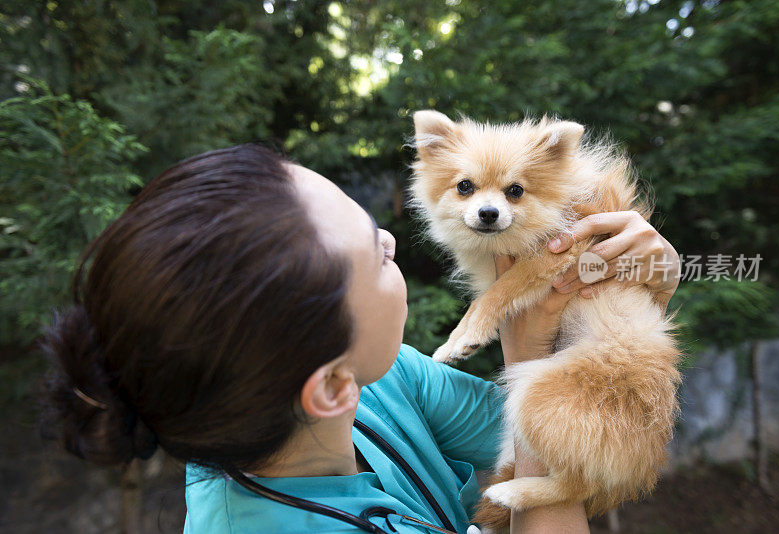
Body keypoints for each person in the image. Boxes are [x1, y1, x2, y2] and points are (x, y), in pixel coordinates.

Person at [41, 143, 681, 533]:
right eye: (373, 259)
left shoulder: (376, 382)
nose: (392, 240)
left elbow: (590, 451)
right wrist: (525, 353)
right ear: (327, 385)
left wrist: (630, 299)